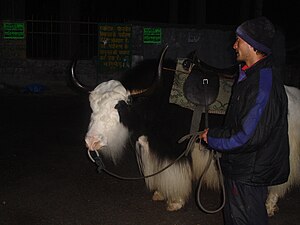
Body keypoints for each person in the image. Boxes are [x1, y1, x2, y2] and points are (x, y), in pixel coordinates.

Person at [200, 16, 290, 225]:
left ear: (251, 45)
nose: (234, 45)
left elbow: (246, 136)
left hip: (249, 172)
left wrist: (213, 137)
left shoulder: (262, 84)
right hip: (243, 167)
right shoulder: (249, 77)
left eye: (238, 40)